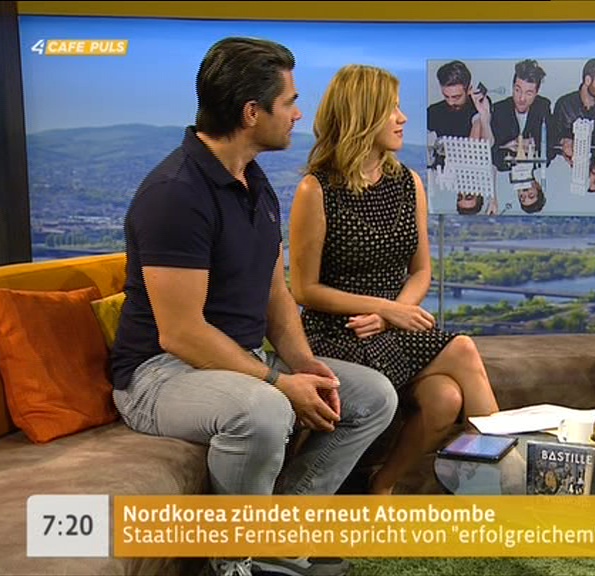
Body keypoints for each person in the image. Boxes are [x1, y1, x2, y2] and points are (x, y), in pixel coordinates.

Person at [109, 38, 397, 576]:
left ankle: (277, 534)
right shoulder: (176, 194)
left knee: (372, 396)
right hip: (158, 375)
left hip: (235, 359)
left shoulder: (254, 182)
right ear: (251, 113)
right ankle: (232, 562)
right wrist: (277, 382)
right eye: (290, 102)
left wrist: (306, 365)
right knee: (264, 410)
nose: (298, 114)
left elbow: (274, 295)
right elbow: (180, 334)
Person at [290, 64, 500, 495]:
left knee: (445, 398)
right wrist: (383, 310)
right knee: (462, 348)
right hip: (339, 332)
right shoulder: (316, 189)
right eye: (392, 109)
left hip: (392, 324)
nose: (403, 119)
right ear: (363, 115)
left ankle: (381, 487)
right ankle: (504, 485)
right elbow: (305, 289)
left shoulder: (408, 183)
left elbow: (421, 271)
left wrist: (392, 314)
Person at [549, 58, 595, 167]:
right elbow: (552, 139)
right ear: (587, 80)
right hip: (565, 167)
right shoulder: (564, 105)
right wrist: (563, 142)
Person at [426, 60, 492, 168]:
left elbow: (481, 147)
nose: (450, 102)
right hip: (439, 172)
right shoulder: (433, 111)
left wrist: (483, 116)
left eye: (456, 97)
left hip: (471, 170)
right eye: (446, 96)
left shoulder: (479, 105)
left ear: (469, 89)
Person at [489, 59, 551, 171]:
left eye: (529, 93)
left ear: (536, 93)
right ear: (512, 87)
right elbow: (493, 152)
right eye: (517, 90)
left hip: (532, 169)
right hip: (506, 171)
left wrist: (532, 143)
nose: (521, 98)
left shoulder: (543, 106)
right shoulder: (499, 110)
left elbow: (549, 145)